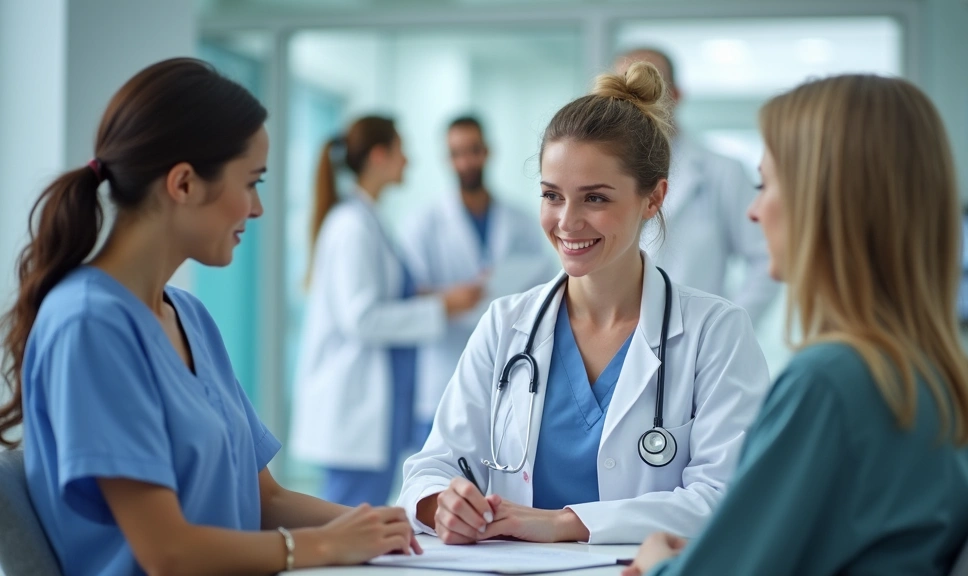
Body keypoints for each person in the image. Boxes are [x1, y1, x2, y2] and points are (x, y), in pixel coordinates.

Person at [0, 58, 420, 576]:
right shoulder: (88, 325)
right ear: (183, 184)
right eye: (251, 182)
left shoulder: (190, 317)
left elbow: (265, 500)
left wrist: (399, 528)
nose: (258, 208)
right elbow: (167, 553)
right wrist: (321, 547)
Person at [625, 75, 968, 576]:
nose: (754, 212)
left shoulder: (830, 384)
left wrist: (654, 564)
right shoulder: (940, 381)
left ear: (825, 201)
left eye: (765, 185)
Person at [397, 62, 771, 545]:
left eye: (594, 198)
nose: (567, 222)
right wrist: (441, 503)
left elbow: (727, 495)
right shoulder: (506, 324)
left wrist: (565, 523)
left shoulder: (715, 332)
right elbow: (433, 466)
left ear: (654, 198)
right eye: (552, 195)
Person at [289, 116, 484, 507]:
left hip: (377, 410)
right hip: (356, 411)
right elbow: (362, 318)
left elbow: (387, 294)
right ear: (380, 156)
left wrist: (435, 295)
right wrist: (442, 306)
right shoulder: (351, 226)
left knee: (360, 524)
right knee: (348, 530)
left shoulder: (368, 220)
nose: (408, 161)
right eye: (401, 151)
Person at [399, 115, 557, 446]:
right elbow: (409, 292)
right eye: (457, 153)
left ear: (487, 152)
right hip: (443, 370)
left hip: (507, 368)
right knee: (438, 482)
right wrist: (449, 299)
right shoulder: (424, 223)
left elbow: (546, 285)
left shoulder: (522, 221)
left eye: (473, 151)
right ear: (448, 159)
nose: (466, 161)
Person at [614, 48, 778, 326]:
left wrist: (728, 327)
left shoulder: (721, 171)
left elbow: (766, 258)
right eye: (626, 89)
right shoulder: (603, 173)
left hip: (696, 338)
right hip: (617, 336)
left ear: (676, 95)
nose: (636, 99)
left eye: (648, 87)